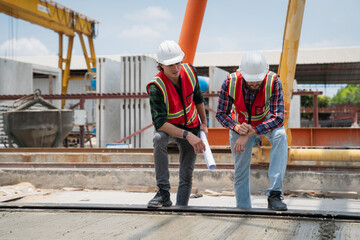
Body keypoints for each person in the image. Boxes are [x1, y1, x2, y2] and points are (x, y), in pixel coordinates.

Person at [216, 51, 288, 211]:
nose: (255, 85)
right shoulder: (230, 82)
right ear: (242, 74)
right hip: (239, 124)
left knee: (281, 136)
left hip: (264, 121)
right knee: (241, 168)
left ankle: (275, 194)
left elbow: (278, 118)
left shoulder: (273, 80)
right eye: (251, 81)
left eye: (258, 81)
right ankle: (243, 206)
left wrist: (251, 132)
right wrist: (237, 128)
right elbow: (221, 114)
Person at [146, 40, 208, 208]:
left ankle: (181, 208)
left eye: (177, 63)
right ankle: (163, 193)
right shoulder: (156, 87)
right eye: (169, 65)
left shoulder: (190, 72)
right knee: (159, 138)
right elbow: (159, 123)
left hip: (192, 126)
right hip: (172, 129)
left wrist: (203, 124)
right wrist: (188, 136)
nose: (175, 68)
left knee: (187, 173)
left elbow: (198, 99)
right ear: (160, 65)